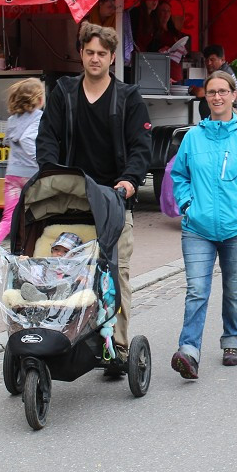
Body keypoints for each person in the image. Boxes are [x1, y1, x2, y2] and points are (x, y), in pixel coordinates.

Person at [37, 22, 153, 372]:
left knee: (116, 275)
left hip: (114, 201)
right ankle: (62, 336)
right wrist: (51, 171)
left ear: (112, 57)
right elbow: (48, 137)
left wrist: (130, 180)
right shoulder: (64, 92)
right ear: (81, 53)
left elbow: (140, 147)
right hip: (71, 198)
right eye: (90, 52)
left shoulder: (128, 97)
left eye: (102, 53)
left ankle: (116, 347)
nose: (95, 58)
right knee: (60, 270)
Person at [169, 71, 237, 379]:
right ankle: (189, 351)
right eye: (211, 92)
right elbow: (179, 176)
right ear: (206, 96)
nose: (217, 97)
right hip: (197, 228)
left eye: (222, 91)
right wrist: (188, 204)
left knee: (234, 288)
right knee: (197, 290)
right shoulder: (192, 138)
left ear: (233, 95)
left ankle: (231, 341)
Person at [0, 78, 44, 283]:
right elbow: (28, 140)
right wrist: (40, 162)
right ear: (38, 99)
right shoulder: (38, 117)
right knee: (37, 218)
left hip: (13, 175)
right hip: (31, 175)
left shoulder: (13, 119)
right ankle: (30, 261)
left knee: (8, 219)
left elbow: (8, 140)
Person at [196, 44, 237, 120]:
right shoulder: (222, 71)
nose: (209, 63)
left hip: (223, 120)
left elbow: (200, 93)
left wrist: (192, 89)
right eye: (206, 60)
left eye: (212, 60)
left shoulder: (223, 74)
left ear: (222, 59)